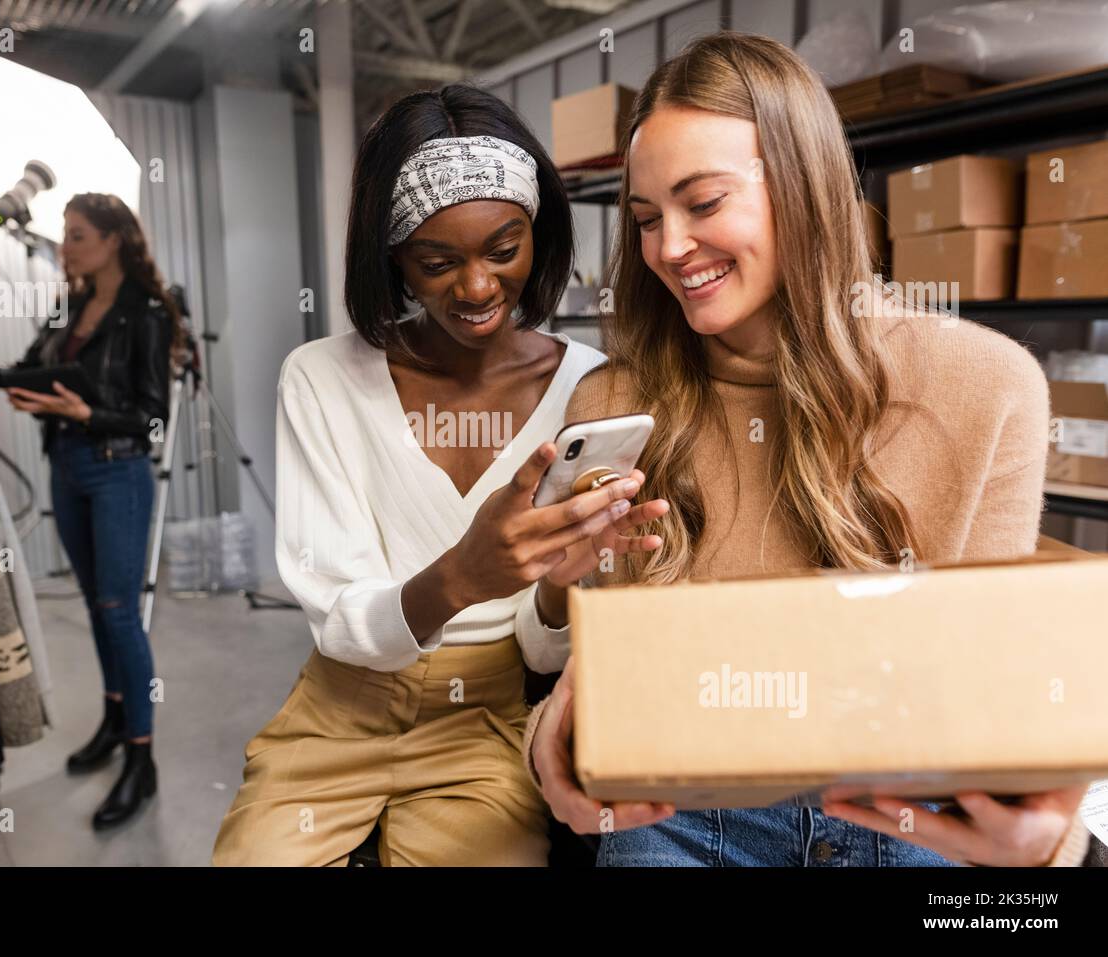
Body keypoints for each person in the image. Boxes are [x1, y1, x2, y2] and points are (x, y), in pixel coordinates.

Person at [522, 32, 1090, 867]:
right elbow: (590, 667)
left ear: (803, 186)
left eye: (704, 203)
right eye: (645, 219)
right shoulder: (614, 402)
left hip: (903, 811)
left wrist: (1052, 851)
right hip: (681, 809)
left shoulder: (989, 385)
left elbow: (993, 690)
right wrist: (552, 739)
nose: (668, 247)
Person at [211, 85, 656, 866]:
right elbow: (339, 618)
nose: (478, 287)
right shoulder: (321, 377)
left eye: (504, 248)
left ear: (538, 235)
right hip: (338, 711)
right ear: (393, 258)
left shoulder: (594, 388)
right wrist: (462, 574)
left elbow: (545, 656)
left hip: (484, 721)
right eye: (437, 261)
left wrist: (556, 583)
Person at [0, 193, 179, 830]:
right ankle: (115, 715)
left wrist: (85, 415)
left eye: (76, 235)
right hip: (67, 469)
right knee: (98, 607)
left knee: (121, 614)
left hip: (118, 470)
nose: (64, 246)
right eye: (65, 235)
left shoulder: (148, 312)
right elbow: (30, 372)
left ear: (114, 240)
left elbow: (155, 416)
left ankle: (141, 758)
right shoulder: (68, 305)